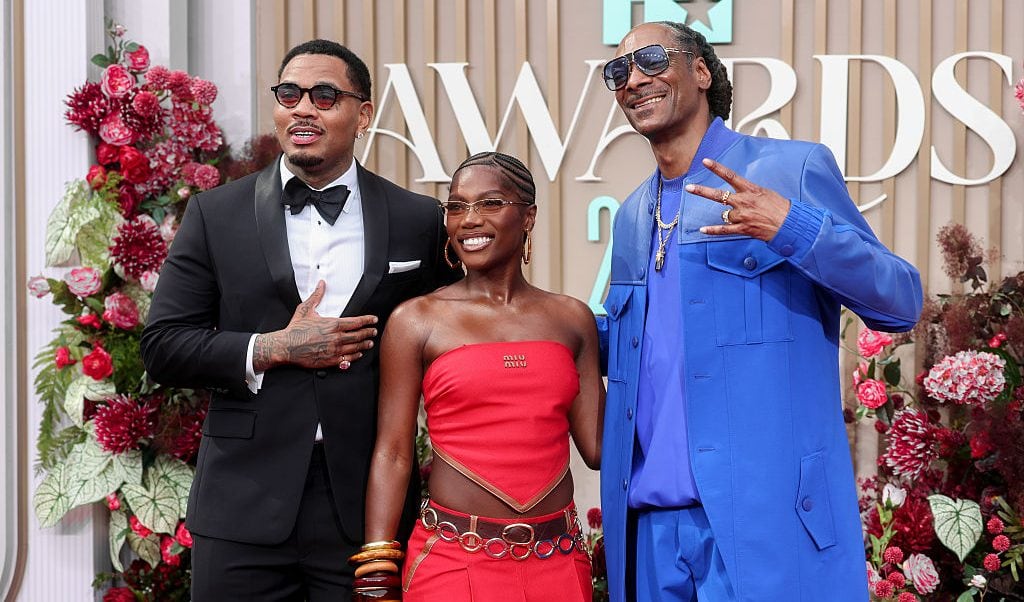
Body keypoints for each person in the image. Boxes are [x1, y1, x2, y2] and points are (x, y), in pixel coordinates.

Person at [597, 22, 923, 602]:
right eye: (618, 71)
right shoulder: (630, 216)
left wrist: (792, 227)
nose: (634, 79)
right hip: (651, 534)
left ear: (700, 71)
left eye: (650, 58)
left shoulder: (788, 170)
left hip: (768, 523)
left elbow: (900, 303)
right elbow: (641, 350)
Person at [140, 39, 461, 601]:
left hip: (366, 509)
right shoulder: (215, 215)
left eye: (325, 95)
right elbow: (164, 345)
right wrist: (272, 348)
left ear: (363, 114)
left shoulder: (418, 220)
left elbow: (457, 336)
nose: (303, 107)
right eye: (290, 93)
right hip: (242, 505)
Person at [356, 152, 605, 601]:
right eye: (456, 206)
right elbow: (393, 453)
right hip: (453, 562)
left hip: (560, 562)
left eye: (490, 203)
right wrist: (375, 572)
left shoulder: (572, 319)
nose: (469, 219)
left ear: (528, 216)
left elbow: (599, 448)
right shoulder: (417, 319)